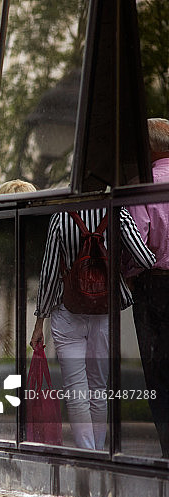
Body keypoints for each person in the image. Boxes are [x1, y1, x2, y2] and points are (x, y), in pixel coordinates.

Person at [31, 208, 154, 450]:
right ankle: (99, 451)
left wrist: (39, 322)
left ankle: (87, 453)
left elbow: (49, 272)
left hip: (68, 311)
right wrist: (119, 270)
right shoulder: (117, 213)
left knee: (76, 389)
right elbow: (144, 259)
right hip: (105, 311)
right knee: (99, 387)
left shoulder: (61, 216)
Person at [127, 118, 169, 457]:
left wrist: (124, 275)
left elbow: (137, 248)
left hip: (154, 287)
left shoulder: (142, 187)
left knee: (158, 372)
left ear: (150, 148)